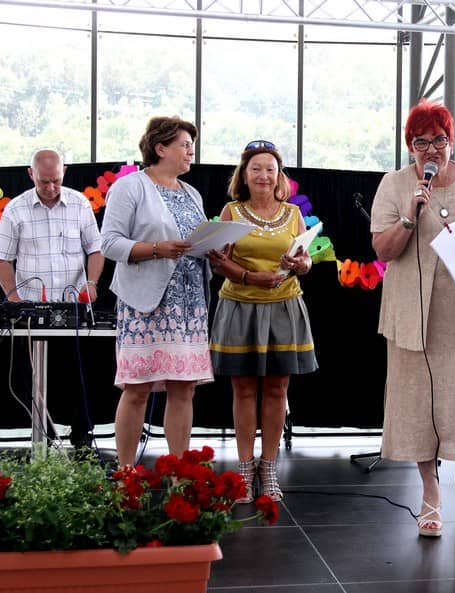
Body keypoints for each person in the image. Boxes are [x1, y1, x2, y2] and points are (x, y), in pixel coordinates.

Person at [370, 98, 455, 537]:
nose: (432, 150)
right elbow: (383, 250)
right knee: (416, 402)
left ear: (451, 141)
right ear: (410, 145)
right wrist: (410, 217)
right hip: (413, 313)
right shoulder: (394, 184)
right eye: (422, 142)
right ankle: (430, 491)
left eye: (440, 140)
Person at [208, 140, 317, 503]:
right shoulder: (231, 211)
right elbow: (218, 262)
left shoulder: (292, 213)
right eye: (256, 168)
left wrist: (302, 264)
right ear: (244, 174)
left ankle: (268, 467)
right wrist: (249, 277)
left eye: (270, 169)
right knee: (243, 389)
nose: (264, 175)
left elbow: (305, 259)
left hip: (284, 307)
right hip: (239, 307)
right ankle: (244, 467)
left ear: (279, 175)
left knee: (276, 389)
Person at [101, 116, 213, 467]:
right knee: (137, 389)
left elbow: (194, 243)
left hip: (189, 305)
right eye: (184, 145)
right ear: (160, 148)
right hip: (146, 305)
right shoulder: (130, 186)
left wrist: (214, 249)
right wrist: (156, 249)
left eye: (192, 145)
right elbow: (109, 243)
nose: (191, 151)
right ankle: (126, 473)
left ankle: (180, 475)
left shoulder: (191, 193)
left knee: (184, 388)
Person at [0, 149, 104, 303]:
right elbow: (3, 259)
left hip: (75, 303)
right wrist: (14, 299)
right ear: (31, 174)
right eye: (44, 182)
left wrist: (91, 283)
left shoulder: (80, 204)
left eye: (56, 181)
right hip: (29, 304)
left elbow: (96, 248)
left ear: (64, 171)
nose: (51, 188)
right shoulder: (14, 209)